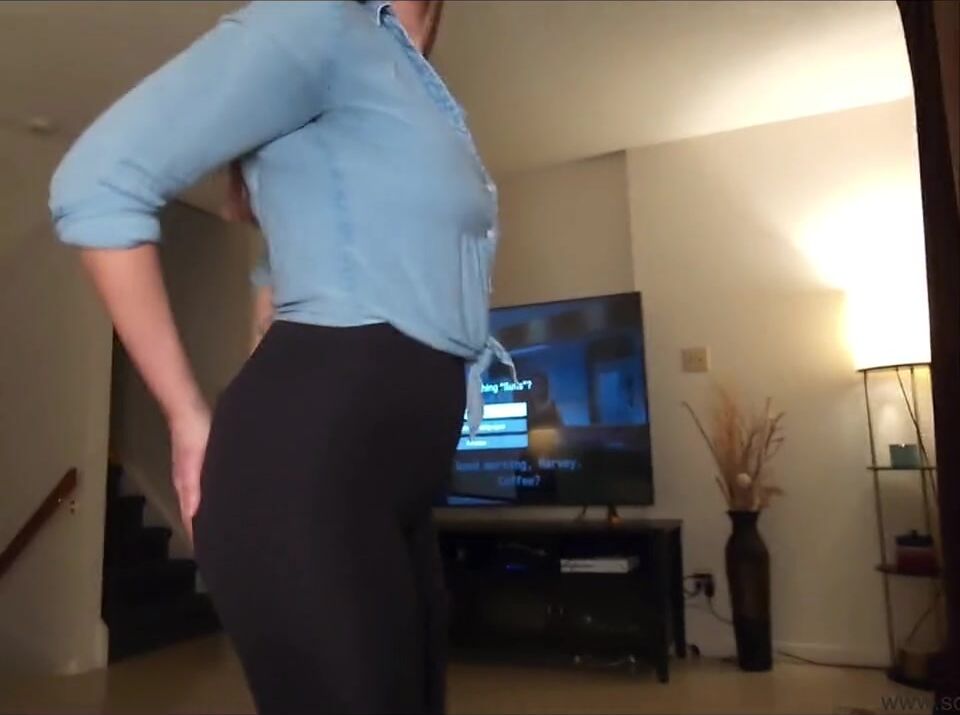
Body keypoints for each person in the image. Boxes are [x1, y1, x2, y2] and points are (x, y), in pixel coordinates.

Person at [48, 2, 512, 713]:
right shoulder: (319, 21)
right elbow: (95, 182)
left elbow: (277, 280)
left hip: (393, 487)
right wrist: (187, 417)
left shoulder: (411, 81)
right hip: (310, 472)